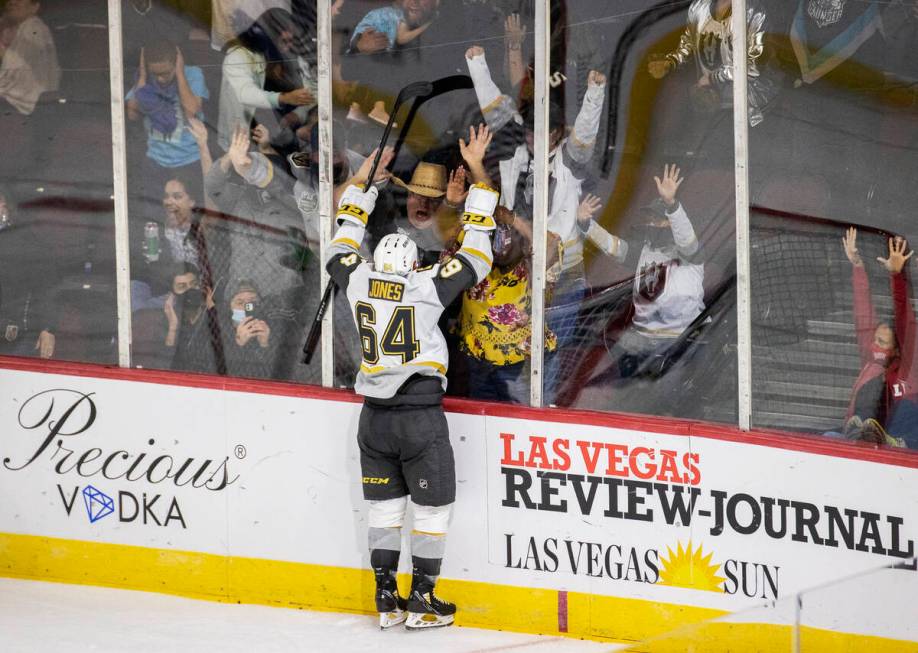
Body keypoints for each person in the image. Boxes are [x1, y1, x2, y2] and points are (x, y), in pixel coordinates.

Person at [325, 179, 502, 629]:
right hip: (419, 419)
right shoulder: (422, 287)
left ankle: (386, 598)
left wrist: (354, 208)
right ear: (410, 265)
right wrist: (479, 211)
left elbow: (336, 252)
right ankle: (423, 598)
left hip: (374, 421)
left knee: (384, 510)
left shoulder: (359, 279)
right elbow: (476, 260)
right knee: (432, 510)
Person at [465, 44, 607, 404]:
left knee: (548, 356)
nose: (532, 138)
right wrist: (477, 63)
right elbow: (497, 110)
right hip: (519, 273)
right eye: (529, 132)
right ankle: (501, 413)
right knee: (506, 351)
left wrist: (594, 94)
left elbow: (586, 137)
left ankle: (540, 415)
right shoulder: (517, 150)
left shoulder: (568, 161)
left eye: (540, 133)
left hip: (562, 277)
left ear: (558, 134)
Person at [841, 229, 917, 447]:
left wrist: (897, 275)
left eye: (883, 343)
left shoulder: (908, 367)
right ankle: (860, 428)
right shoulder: (871, 365)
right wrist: (857, 266)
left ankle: (892, 439)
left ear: (897, 349)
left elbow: (904, 317)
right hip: (860, 436)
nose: (876, 346)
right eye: (875, 340)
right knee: (828, 438)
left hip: (900, 436)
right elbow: (863, 314)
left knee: (909, 407)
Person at [647, 0, 772, 126]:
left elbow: (752, 67)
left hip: (746, 110)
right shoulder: (698, 7)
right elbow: (688, 44)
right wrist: (670, 62)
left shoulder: (754, 13)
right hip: (707, 106)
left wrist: (713, 78)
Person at [126, 39, 210, 209]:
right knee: (155, 215)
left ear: (177, 62)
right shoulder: (145, 79)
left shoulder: (193, 74)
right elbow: (132, 114)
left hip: (190, 160)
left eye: (166, 72)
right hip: (156, 160)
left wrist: (179, 74)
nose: (161, 78)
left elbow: (191, 111)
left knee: (192, 216)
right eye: (155, 73)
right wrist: (143, 77)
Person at [217, 7, 315, 151]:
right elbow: (245, 93)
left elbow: (314, 89)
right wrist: (284, 98)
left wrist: (297, 114)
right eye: (284, 41)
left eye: (292, 41)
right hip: (242, 145)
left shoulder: (290, 57)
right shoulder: (238, 57)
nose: (289, 47)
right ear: (269, 37)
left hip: (283, 138)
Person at [0, 0, 59, 117]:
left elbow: (17, 67)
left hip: (26, 101)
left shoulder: (34, 27)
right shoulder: (21, 27)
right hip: (25, 98)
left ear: (35, 7)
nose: (12, 2)